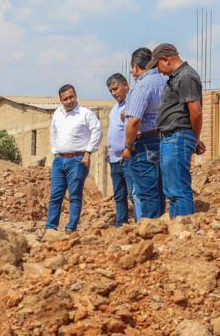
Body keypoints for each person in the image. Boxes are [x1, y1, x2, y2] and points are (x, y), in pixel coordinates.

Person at [149, 43, 204, 218]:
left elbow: (196, 111)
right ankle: (177, 228)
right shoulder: (178, 77)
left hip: (177, 137)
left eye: (157, 65)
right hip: (172, 138)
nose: (158, 71)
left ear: (166, 60)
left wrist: (194, 139)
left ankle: (184, 229)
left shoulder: (186, 76)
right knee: (172, 191)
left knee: (178, 190)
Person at [45, 84, 102, 232]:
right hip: (59, 160)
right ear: (61, 100)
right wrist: (55, 152)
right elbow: (53, 133)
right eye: (65, 99)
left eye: (71, 97)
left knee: (75, 196)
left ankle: (71, 228)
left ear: (76, 96)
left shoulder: (85, 114)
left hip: (78, 160)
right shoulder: (57, 113)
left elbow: (97, 131)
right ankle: (50, 228)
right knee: (55, 196)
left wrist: (88, 152)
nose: (69, 101)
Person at [121, 47, 167, 219]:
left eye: (132, 69)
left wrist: (128, 146)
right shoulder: (164, 81)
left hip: (145, 143)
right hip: (163, 139)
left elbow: (134, 121)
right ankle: (160, 226)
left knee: (146, 192)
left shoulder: (143, 85)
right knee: (159, 190)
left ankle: (150, 228)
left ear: (135, 66)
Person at [105, 73, 139, 226]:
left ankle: (139, 223)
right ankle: (121, 225)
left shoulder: (132, 104)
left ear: (126, 85)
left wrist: (128, 148)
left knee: (133, 193)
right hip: (114, 159)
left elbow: (135, 128)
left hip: (128, 156)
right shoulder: (114, 109)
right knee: (119, 196)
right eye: (110, 91)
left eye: (116, 88)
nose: (114, 93)